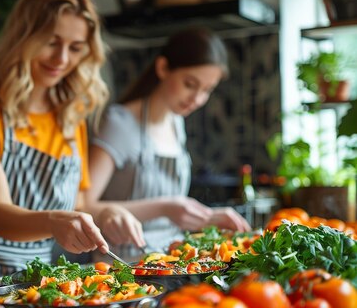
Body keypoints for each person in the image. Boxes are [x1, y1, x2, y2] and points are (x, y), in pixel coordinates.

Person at [0, 0, 146, 277]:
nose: (61, 58)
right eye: (51, 42)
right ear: (23, 37)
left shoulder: (69, 116)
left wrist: (106, 213)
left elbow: (79, 205)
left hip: (40, 280)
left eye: (75, 48)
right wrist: (54, 221)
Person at [86, 27, 251, 256]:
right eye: (190, 84)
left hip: (169, 261)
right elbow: (82, 206)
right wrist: (165, 207)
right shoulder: (120, 123)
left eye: (207, 90)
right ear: (163, 68)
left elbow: (174, 213)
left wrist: (209, 218)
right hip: (121, 270)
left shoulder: (176, 123)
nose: (197, 99)